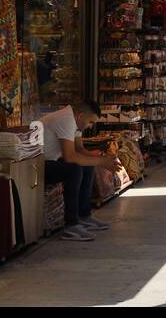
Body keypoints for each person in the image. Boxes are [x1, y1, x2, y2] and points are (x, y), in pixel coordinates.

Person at [40, 100, 123, 242]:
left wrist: (103, 157)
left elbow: (80, 150)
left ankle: (84, 215)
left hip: (52, 161)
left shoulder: (76, 121)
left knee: (87, 165)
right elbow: (70, 157)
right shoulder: (66, 119)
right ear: (81, 116)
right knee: (74, 169)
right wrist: (101, 162)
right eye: (90, 122)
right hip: (38, 165)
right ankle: (70, 225)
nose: (91, 126)